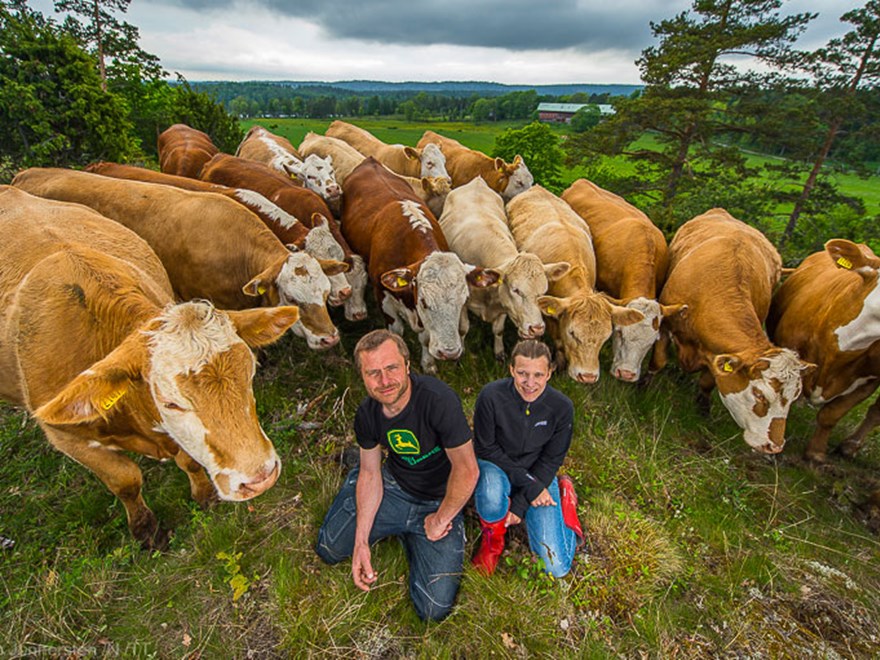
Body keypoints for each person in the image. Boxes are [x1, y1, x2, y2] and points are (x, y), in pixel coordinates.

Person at [315, 329, 479, 621]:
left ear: (407, 365)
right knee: (328, 548)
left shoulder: (438, 400)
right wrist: (361, 541)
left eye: (391, 368)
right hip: (394, 486)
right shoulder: (367, 413)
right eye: (373, 373)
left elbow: (467, 470)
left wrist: (440, 519)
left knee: (432, 610)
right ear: (363, 377)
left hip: (438, 501)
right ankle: (394, 527)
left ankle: (414, 533)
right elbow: (370, 472)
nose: (384, 381)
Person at [471, 339, 583, 578]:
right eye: (522, 373)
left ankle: (567, 499)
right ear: (511, 369)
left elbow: (552, 459)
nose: (530, 383)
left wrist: (521, 503)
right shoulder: (490, 396)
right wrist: (530, 486)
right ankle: (492, 545)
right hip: (496, 467)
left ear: (549, 373)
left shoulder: (562, 407)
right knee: (491, 490)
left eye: (538, 375)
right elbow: (486, 448)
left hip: (538, 472)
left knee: (557, 567)